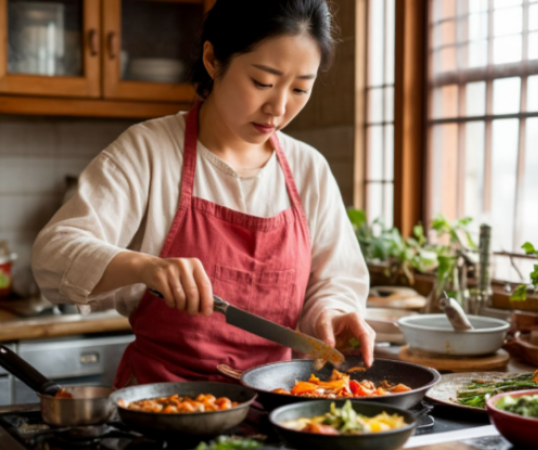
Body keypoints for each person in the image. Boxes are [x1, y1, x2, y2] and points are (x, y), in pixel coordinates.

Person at [32, 0, 373, 386]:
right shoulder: (150, 150)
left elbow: (336, 280)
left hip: (281, 405)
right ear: (213, 59)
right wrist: (144, 267)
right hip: (163, 406)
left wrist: (331, 313)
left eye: (299, 88)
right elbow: (52, 256)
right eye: (262, 82)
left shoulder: (308, 169)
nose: (278, 107)